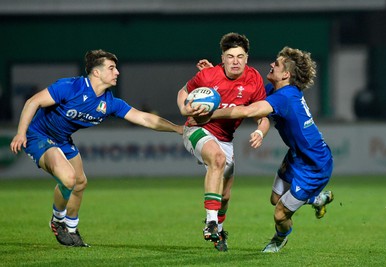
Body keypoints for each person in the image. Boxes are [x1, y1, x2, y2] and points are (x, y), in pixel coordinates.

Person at [10, 49, 183, 247]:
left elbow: (145, 118)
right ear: (96, 72)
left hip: (62, 140)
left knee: (80, 183)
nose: (117, 72)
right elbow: (33, 102)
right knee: (68, 178)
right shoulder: (70, 87)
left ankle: (72, 229)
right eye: (111, 68)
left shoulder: (109, 102)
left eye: (116, 68)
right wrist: (21, 133)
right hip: (39, 136)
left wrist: (177, 128)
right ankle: (58, 221)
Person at [204, 46, 334, 253]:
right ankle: (317, 198)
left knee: (280, 214)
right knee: (275, 199)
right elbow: (244, 95)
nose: (272, 65)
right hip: (296, 156)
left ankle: (279, 239)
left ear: (286, 74)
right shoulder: (277, 90)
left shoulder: (285, 97)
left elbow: (247, 110)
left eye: (277, 64)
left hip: (315, 165)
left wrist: (209, 114)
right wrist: (215, 78)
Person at [177, 32, 270, 252]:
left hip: (225, 138)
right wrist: (183, 108)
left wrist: (260, 131)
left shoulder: (254, 79)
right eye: (230, 56)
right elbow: (184, 91)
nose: (235, 61)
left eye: (240, 56)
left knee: (225, 196)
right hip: (196, 129)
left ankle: (219, 230)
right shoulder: (209, 75)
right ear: (223, 57)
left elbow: (262, 116)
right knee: (217, 159)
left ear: (246, 58)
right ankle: (209, 222)